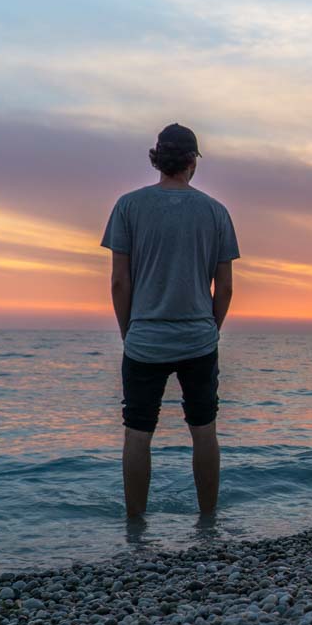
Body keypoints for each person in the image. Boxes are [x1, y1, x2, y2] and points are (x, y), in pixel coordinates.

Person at [100, 123, 240, 518]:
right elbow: (225, 288)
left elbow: (118, 282)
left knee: (138, 432)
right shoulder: (215, 212)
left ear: (157, 159)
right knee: (204, 430)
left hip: (145, 338)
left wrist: (130, 331)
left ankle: (135, 526)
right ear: (192, 161)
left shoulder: (128, 206)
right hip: (198, 338)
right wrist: (210, 330)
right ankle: (208, 520)